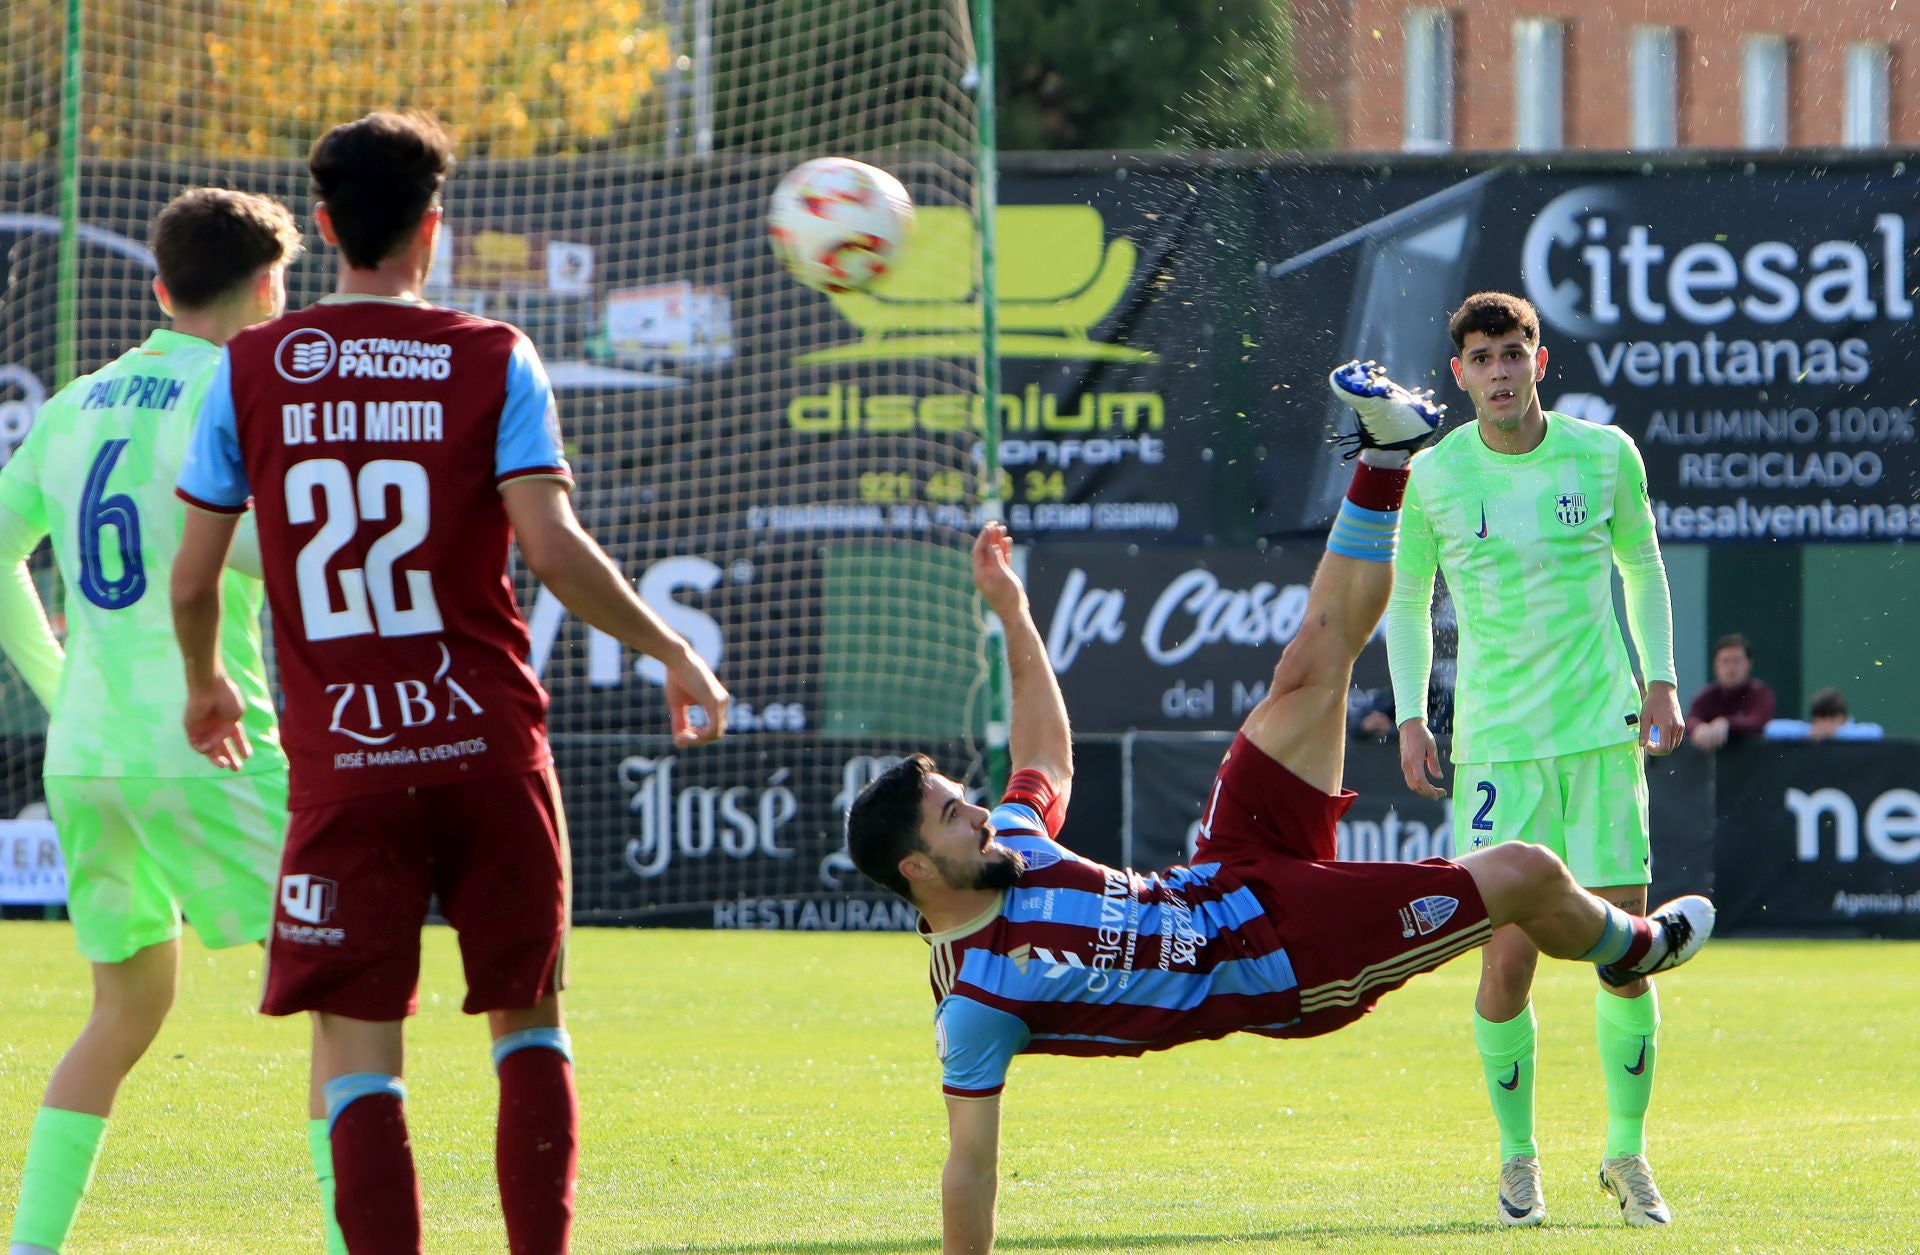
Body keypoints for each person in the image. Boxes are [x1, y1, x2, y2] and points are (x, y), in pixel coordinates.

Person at [845, 363, 1714, 1255]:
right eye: (954, 816)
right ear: (916, 868)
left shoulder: (1012, 842)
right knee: (1528, 871)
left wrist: (1015, 613)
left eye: (965, 800)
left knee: (1309, 663)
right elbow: (971, 1168)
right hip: (1279, 960)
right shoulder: (976, 1004)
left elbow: (1042, 757)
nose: (980, 815)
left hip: (1222, 868)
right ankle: (1640, 945)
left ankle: (1385, 453)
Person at [168, 111, 729, 1255]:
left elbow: (189, 579)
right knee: (529, 1027)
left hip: (346, 764)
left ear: (322, 227)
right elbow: (556, 552)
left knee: (362, 1050)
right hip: (488, 750)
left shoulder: (250, 371)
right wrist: (671, 647)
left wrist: (206, 681)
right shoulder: (493, 352)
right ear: (437, 226)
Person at [0, 188, 301, 1255]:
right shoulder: (247, 390)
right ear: (271, 286)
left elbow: (0, 552)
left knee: (123, 1014)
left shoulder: (77, 401)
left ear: (160, 287)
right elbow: (279, 555)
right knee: (352, 995)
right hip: (214, 744)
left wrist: (61, 685)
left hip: (83, 759)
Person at [1383, 291, 1688, 1228]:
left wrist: (1663, 678)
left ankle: (1628, 1153)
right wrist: (1409, 715)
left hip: (1601, 731)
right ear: (1460, 374)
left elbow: (1642, 563)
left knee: (1624, 954)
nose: (1501, 371)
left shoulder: (1605, 454)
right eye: (1483, 358)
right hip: (1498, 749)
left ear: (1539, 361)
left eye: (1514, 353)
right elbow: (1405, 600)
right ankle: (1519, 1160)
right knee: (1506, 958)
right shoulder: (1434, 477)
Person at [1687, 634, 1776, 750]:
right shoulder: (1707, 695)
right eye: (1725, 661)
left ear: (1749, 663)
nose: (1731, 667)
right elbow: (1690, 719)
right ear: (1716, 665)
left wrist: (1727, 723)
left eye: (1737, 660)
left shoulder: (1760, 693)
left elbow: (1758, 721)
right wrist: (1698, 727)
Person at [1765, 686, 1884, 742]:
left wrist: (1836, 734)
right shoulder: (1810, 731)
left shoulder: (1856, 731)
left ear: (1844, 718)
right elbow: (1771, 729)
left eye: (1832, 719)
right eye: (1821, 718)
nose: (1826, 724)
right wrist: (1808, 733)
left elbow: (1876, 732)